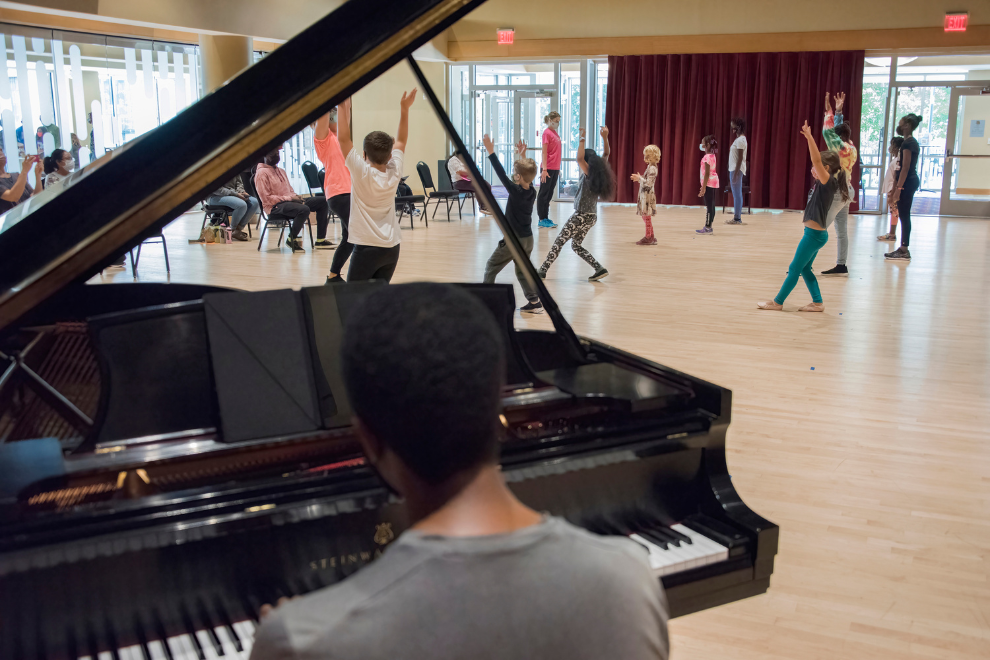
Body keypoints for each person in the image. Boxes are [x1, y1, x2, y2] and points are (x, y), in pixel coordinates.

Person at [248, 282, 670, 660]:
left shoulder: (303, 640)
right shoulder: (628, 582)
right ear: (499, 414)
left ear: (370, 440)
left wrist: (298, 628)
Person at [758, 121, 848, 312]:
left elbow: (816, 161)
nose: (813, 168)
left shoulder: (828, 182)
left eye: (818, 167)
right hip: (814, 234)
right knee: (805, 269)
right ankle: (817, 303)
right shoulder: (821, 184)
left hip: (813, 236)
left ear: (826, 168)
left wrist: (809, 137)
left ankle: (777, 302)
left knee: (794, 269)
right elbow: (816, 163)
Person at [337, 89, 415, 282]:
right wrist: (404, 109)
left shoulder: (361, 172)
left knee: (354, 300)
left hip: (366, 248)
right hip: (391, 248)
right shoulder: (394, 170)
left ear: (364, 155)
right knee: (378, 300)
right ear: (390, 156)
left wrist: (341, 105)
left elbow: (343, 139)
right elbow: (402, 140)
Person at [538, 126, 614, 282]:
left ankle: (543, 270)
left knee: (559, 242)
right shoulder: (599, 173)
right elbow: (606, 153)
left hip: (580, 216)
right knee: (576, 245)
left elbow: (579, 159)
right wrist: (605, 137)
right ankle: (599, 268)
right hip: (592, 216)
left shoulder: (589, 173)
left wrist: (582, 138)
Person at [481, 134, 542, 314]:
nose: (513, 175)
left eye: (516, 173)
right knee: (522, 271)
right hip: (528, 240)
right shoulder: (532, 191)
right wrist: (523, 157)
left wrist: (491, 151)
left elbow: (500, 172)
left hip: (514, 241)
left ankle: (485, 303)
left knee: (491, 266)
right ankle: (535, 303)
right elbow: (526, 175)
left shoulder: (515, 191)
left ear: (518, 176)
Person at [255, 148, 330, 253]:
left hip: (289, 202)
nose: (276, 154)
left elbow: (289, 190)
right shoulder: (261, 173)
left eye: (277, 152)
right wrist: (290, 198)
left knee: (323, 201)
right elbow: (266, 199)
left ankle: (320, 240)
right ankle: (291, 238)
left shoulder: (281, 171)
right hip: (275, 207)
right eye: (273, 153)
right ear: (265, 156)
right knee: (303, 209)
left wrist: (296, 197)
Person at [819, 92, 859, 277]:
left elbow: (828, 132)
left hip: (837, 191)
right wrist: (839, 111)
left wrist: (829, 111)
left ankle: (803, 264)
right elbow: (838, 130)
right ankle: (841, 265)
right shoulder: (851, 147)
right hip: (847, 191)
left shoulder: (840, 147)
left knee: (818, 228)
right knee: (841, 231)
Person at [315, 107, 354, 282]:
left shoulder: (342, 139)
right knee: (356, 234)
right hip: (339, 194)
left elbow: (346, 109)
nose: (340, 119)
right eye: (335, 117)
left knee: (350, 237)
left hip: (351, 192)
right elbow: (323, 118)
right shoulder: (324, 140)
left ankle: (333, 275)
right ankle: (346, 276)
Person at [885, 113, 922, 262]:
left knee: (905, 216)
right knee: (904, 215)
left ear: (907, 125)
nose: (898, 124)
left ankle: (904, 249)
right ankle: (903, 248)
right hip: (908, 182)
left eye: (901, 122)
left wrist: (898, 190)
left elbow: (905, 168)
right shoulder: (910, 142)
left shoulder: (908, 143)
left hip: (907, 182)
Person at [207, 173, 259, 242]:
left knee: (254, 202)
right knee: (241, 205)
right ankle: (232, 230)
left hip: (233, 194)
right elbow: (218, 190)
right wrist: (236, 194)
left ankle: (238, 230)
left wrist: (242, 192)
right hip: (215, 196)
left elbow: (239, 183)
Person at [447, 151, 493, 215]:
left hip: (467, 181)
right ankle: (483, 207)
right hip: (458, 182)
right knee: (478, 186)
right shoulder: (453, 160)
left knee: (487, 185)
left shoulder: (464, 160)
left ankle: (489, 206)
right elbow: (460, 172)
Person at [632, 144, 660, 245]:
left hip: (648, 195)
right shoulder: (650, 166)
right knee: (645, 216)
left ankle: (649, 237)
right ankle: (651, 236)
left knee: (646, 216)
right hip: (646, 194)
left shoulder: (652, 168)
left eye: (649, 156)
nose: (646, 158)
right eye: (645, 155)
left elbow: (648, 183)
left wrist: (639, 179)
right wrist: (641, 177)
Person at [538, 111, 562, 228]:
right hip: (547, 168)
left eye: (558, 121)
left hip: (555, 168)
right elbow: (544, 151)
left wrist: (558, 168)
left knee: (549, 194)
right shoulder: (546, 133)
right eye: (556, 121)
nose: (557, 123)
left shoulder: (555, 133)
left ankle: (546, 218)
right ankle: (542, 219)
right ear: (550, 120)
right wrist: (544, 169)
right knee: (543, 194)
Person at [877, 136, 904, 242]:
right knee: (893, 211)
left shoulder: (898, 160)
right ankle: (891, 233)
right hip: (891, 189)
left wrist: (893, 193)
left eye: (892, 145)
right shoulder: (896, 159)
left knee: (894, 211)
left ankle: (892, 234)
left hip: (892, 189)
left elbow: (896, 177)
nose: (890, 147)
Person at [0, 149, 42, 214]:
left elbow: (35, 196)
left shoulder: (16, 175)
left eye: (1, 151)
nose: (1, 153)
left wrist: (38, 175)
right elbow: (13, 196)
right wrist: (24, 171)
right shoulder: (20, 175)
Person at [695, 136, 719, 235]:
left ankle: (708, 227)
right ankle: (709, 226)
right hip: (713, 182)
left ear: (707, 145)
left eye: (703, 143)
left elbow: (707, 173)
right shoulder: (713, 156)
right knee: (711, 204)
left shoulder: (706, 158)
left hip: (709, 183)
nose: (701, 145)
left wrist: (703, 188)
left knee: (709, 206)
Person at [727, 117, 747, 224]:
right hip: (735, 169)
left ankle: (737, 218)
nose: (732, 130)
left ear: (738, 128)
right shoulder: (740, 140)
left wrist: (735, 173)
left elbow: (739, 158)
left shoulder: (740, 140)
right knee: (737, 194)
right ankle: (737, 217)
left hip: (736, 170)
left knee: (737, 194)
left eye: (734, 127)